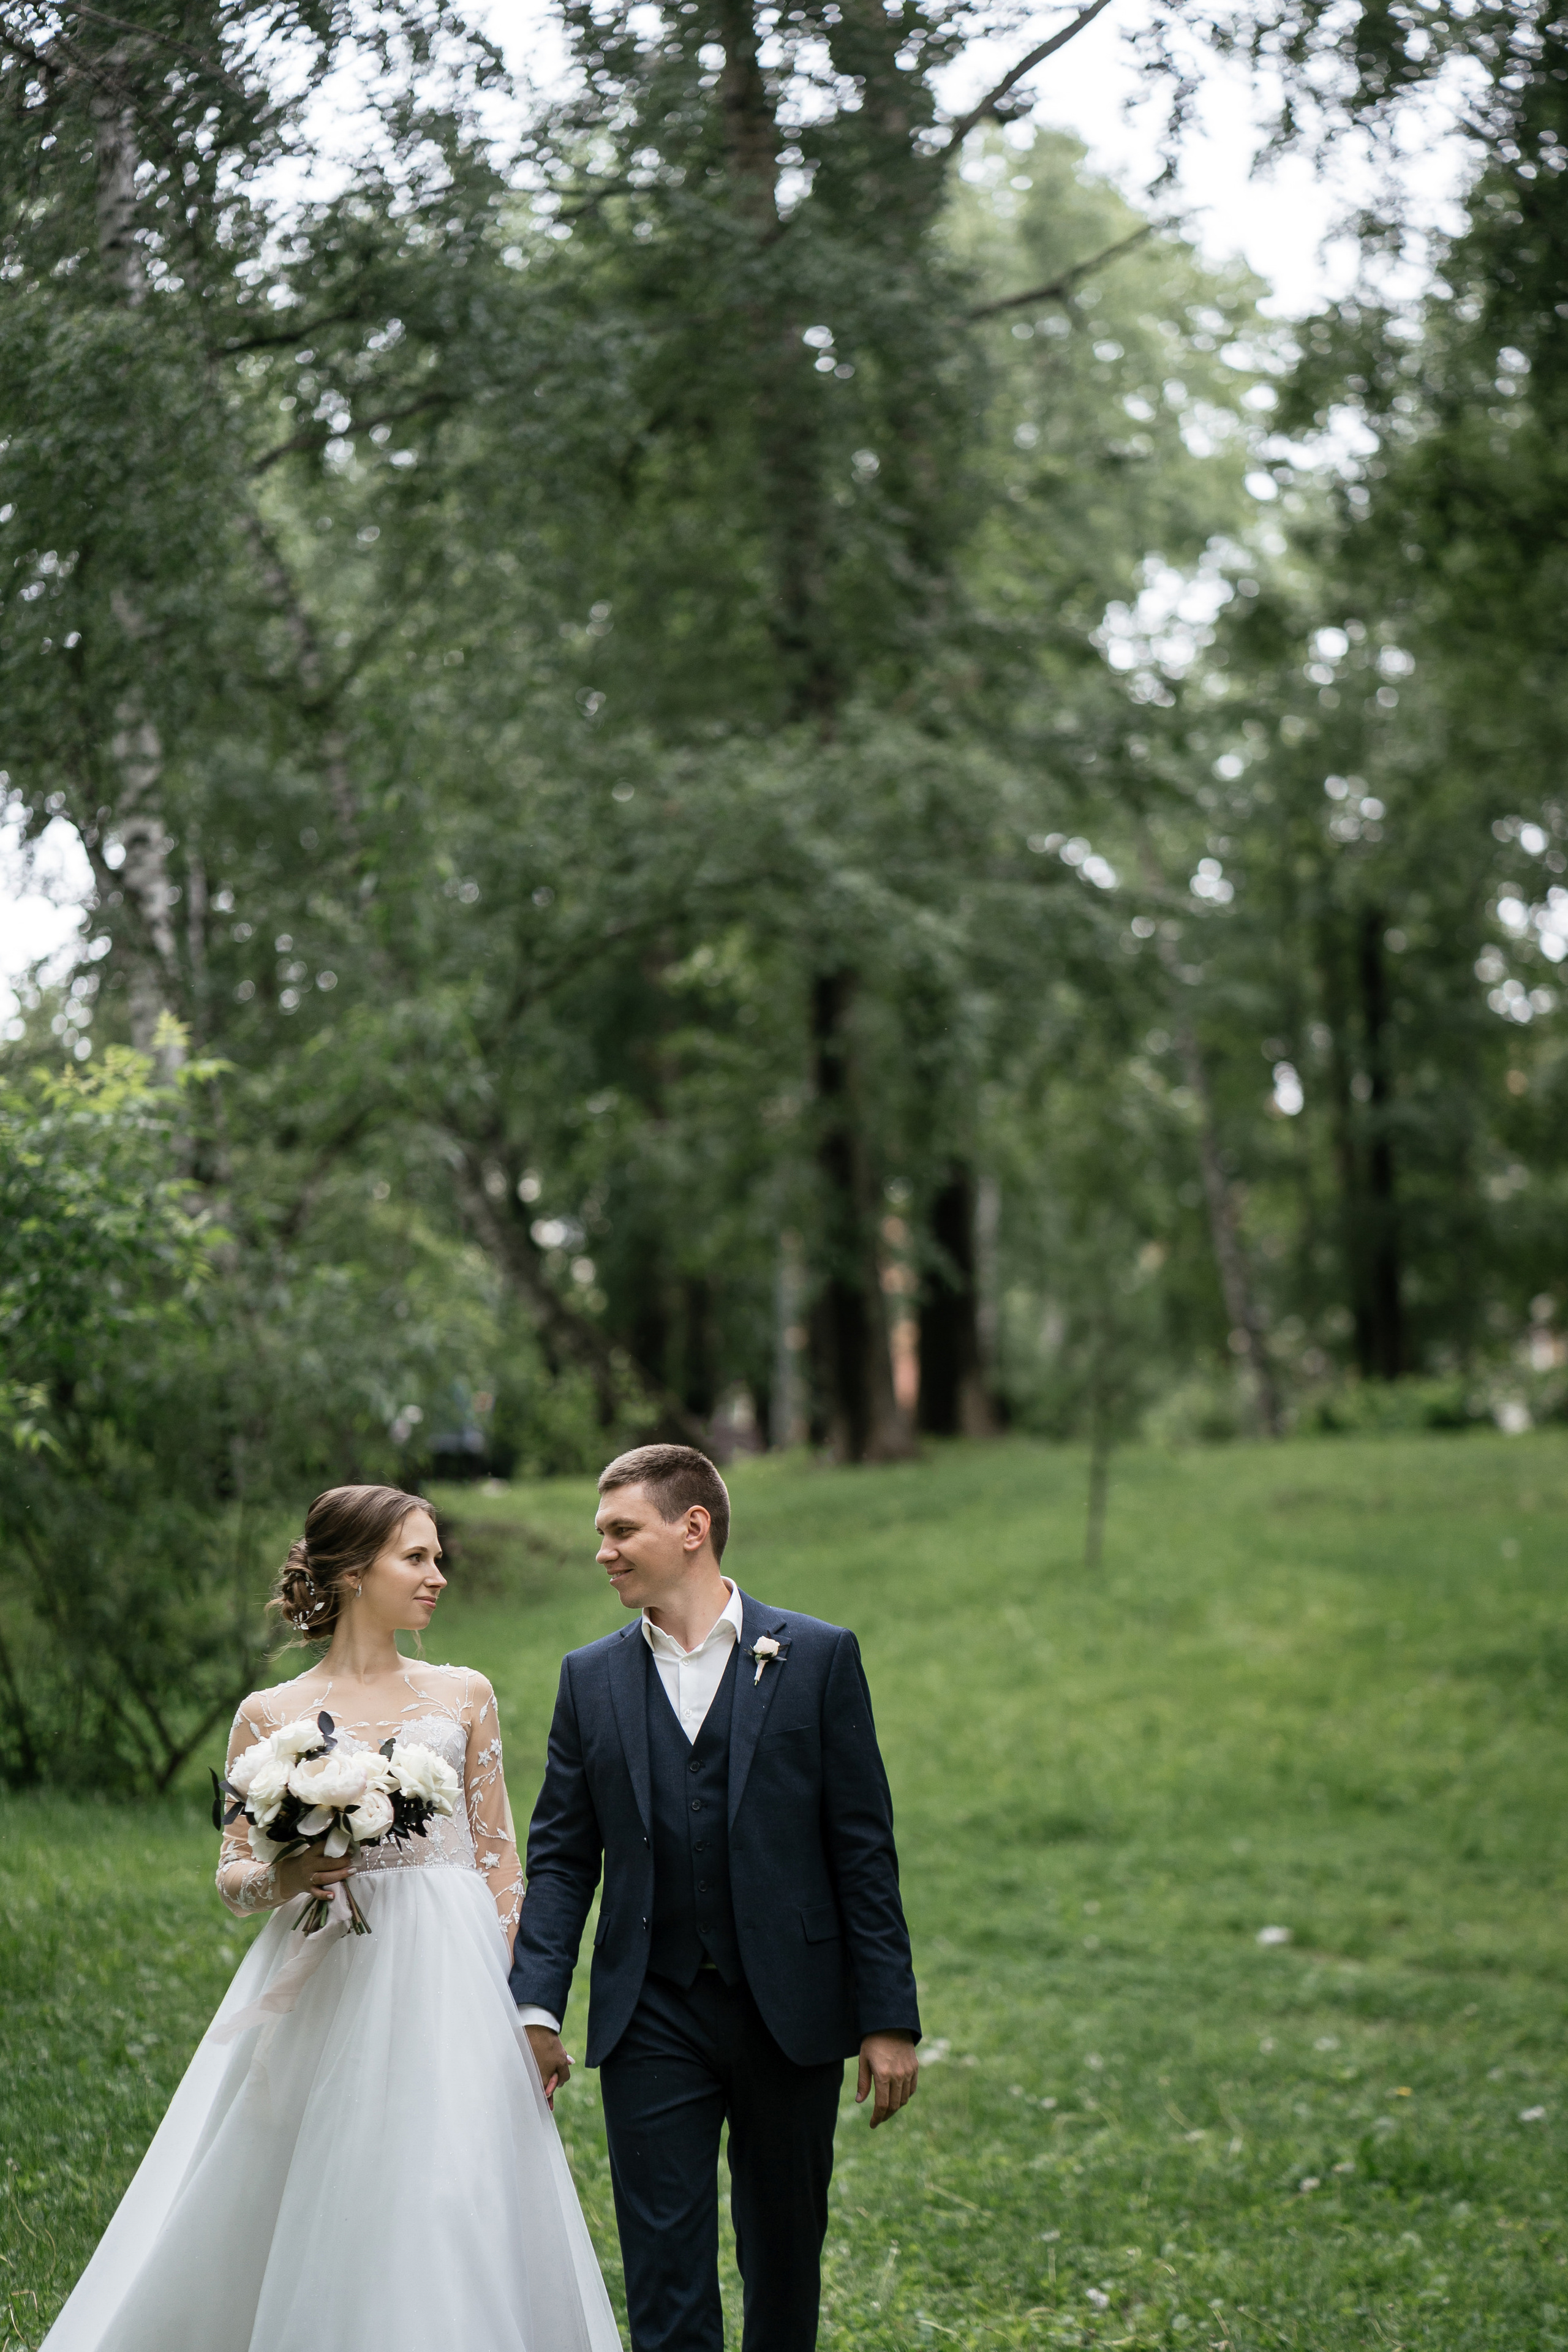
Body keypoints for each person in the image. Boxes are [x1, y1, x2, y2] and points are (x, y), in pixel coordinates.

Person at [42, 1484, 620, 2352]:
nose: (438, 1577)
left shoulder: (465, 1693)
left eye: (438, 1558)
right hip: (331, 1977)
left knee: (453, 2179)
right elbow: (233, 1873)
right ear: (354, 1573)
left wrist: (524, 1992)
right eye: (416, 1558)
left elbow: (501, 1857)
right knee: (318, 2174)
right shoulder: (270, 1718)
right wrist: (291, 1873)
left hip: (453, 1978)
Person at [511, 1443, 921, 2352]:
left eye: (622, 1530)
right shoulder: (590, 1678)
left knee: (784, 2262)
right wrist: (536, 2002)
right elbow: (564, 1856)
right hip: (651, 2011)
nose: (603, 1551)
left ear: (693, 1527)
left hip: (793, 2010)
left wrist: (887, 2017)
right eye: (599, 1534)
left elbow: (862, 1850)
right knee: (665, 2277)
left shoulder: (817, 1657)